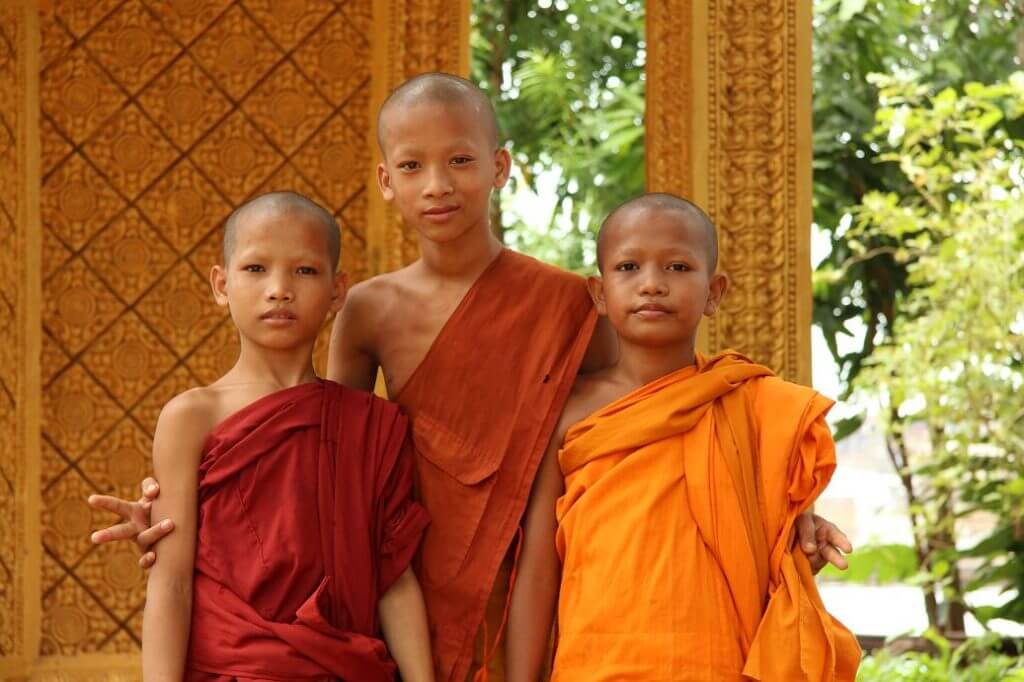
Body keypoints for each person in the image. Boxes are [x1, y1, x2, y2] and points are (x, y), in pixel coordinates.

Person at [90, 75, 853, 682]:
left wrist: (791, 510)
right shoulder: (367, 311)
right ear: (386, 181)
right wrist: (183, 510)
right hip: (412, 583)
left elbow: (637, 423)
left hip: (535, 584)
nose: (438, 184)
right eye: (413, 166)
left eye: (459, 159)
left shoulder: (564, 299)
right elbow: (320, 461)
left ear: (499, 167)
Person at [517, 193, 861, 680]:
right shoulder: (566, 414)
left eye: (678, 267)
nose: (652, 284)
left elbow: (761, 527)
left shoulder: (751, 404)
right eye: (629, 266)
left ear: (714, 292)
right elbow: (537, 567)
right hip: (596, 663)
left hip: (719, 665)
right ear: (598, 292)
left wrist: (795, 533)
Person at [139, 191, 433, 681]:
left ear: (338, 291)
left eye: (305, 271)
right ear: (221, 284)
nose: (279, 289)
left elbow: (393, 579)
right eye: (255, 269)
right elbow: (170, 582)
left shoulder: (371, 424)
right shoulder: (191, 417)